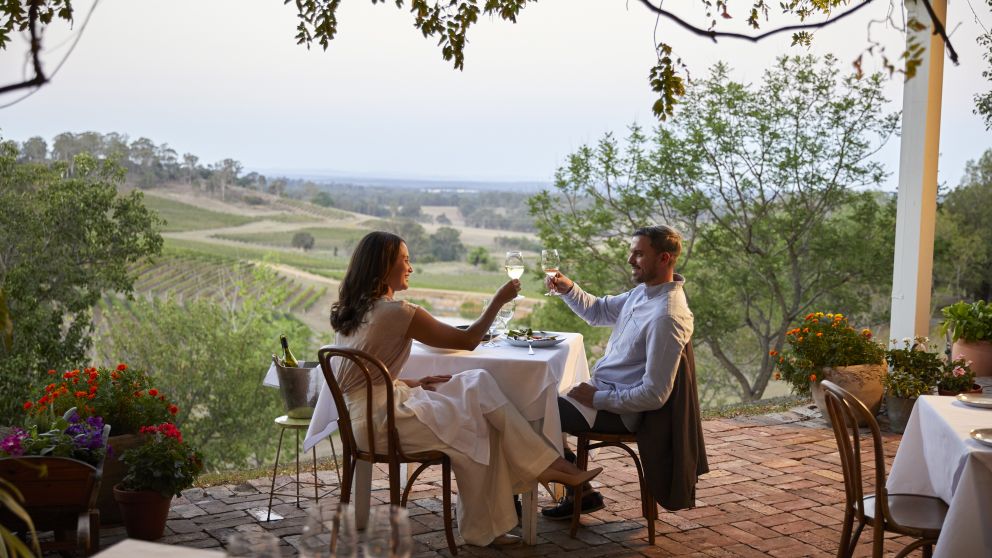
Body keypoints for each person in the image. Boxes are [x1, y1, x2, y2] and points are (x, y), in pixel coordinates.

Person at [328, 231, 602, 547]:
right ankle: (508, 504)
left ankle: (543, 470)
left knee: (477, 382)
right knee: (480, 425)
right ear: (382, 266)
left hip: (363, 417)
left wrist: (413, 382)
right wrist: (498, 300)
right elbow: (469, 340)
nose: (411, 267)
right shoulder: (398, 313)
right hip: (383, 423)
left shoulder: (354, 311)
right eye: (405, 260)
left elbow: (363, 377)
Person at [541, 225, 695, 519]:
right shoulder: (644, 293)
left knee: (532, 410)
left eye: (639, 254)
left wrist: (596, 398)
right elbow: (598, 311)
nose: (630, 259)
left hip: (617, 410)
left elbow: (655, 394)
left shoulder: (667, 316)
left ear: (664, 258)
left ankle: (562, 487)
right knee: (531, 403)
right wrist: (568, 288)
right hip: (600, 392)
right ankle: (578, 489)